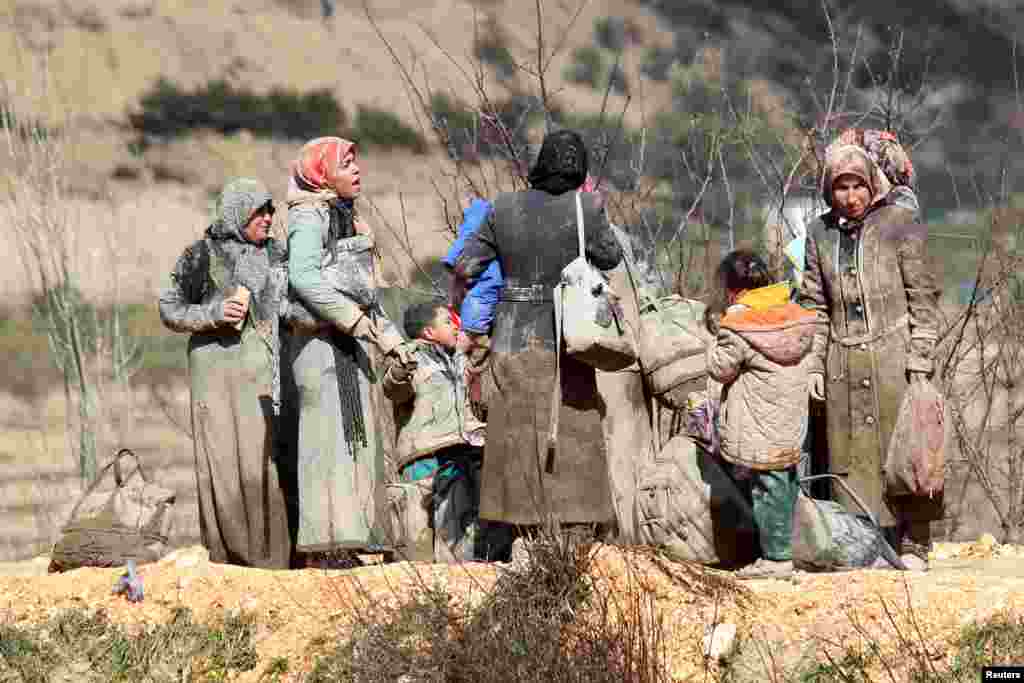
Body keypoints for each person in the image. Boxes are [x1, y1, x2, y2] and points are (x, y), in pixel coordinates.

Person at [453, 129, 623, 540]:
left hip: (512, 335)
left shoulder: (503, 207)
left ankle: (516, 527)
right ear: (580, 169)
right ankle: (570, 526)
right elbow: (611, 256)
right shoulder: (586, 206)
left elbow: (466, 266)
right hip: (567, 336)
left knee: (514, 427)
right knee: (573, 425)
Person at [799, 133, 942, 570]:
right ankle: (863, 546)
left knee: (905, 453)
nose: (851, 196)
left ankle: (914, 543)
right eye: (841, 187)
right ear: (829, 190)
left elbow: (923, 296)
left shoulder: (899, 223)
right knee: (849, 458)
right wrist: (814, 364)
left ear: (872, 184)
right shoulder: (818, 233)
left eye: (857, 185)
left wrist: (921, 358)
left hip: (894, 359)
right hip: (842, 362)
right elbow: (815, 304)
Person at [283, 136, 414, 567]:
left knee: (355, 441)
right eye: (346, 164)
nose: (357, 171)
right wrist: (355, 321)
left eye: (357, 162)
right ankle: (328, 545)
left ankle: (354, 537)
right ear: (322, 174)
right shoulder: (308, 217)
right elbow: (304, 277)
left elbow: (365, 294)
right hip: (321, 347)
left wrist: (391, 339)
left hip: (350, 344)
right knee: (327, 442)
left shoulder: (348, 218)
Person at [159, 177, 291, 569]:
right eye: (259, 210)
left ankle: (275, 558)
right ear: (236, 213)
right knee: (221, 460)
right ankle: (228, 558)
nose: (268, 218)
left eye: (271, 210)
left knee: (265, 460)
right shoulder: (200, 255)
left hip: (263, 373)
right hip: (213, 373)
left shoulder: (279, 254)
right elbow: (169, 308)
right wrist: (212, 314)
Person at [704, 250, 817, 578]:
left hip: (757, 419)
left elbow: (720, 368)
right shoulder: (792, 312)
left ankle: (776, 559)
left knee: (765, 487)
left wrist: (712, 340)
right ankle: (786, 549)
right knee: (784, 482)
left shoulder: (737, 324)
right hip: (789, 417)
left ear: (732, 290)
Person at [384, 301, 511, 562]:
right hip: (421, 460)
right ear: (428, 332)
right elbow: (394, 389)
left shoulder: (456, 360)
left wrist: (484, 433)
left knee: (452, 543)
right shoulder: (409, 356)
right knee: (415, 549)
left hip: (454, 455)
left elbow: (463, 408)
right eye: (447, 321)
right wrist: (399, 372)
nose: (455, 325)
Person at [443, 196, 501, 413]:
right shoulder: (492, 242)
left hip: (475, 314)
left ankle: (462, 402)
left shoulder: (473, 232)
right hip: (482, 312)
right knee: (473, 356)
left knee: (468, 355)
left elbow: (455, 261)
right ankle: (466, 400)